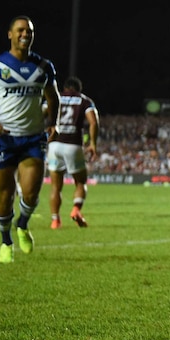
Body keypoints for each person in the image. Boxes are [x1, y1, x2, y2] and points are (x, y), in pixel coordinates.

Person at [0, 15, 60, 264]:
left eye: (30, 31)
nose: (25, 34)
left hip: (33, 138)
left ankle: (22, 225)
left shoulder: (44, 66)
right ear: (10, 34)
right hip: (5, 139)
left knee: (31, 194)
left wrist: (53, 123)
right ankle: (5, 241)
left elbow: (53, 97)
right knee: (6, 195)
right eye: (20, 30)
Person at [47, 76, 99, 228]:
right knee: (80, 182)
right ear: (78, 89)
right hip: (73, 145)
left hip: (54, 144)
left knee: (56, 186)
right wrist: (93, 143)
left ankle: (55, 220)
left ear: (64, 88)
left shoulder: (55, 97)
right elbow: (93, 121)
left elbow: (41, 112)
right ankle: (76, 210)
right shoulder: (84, 100)